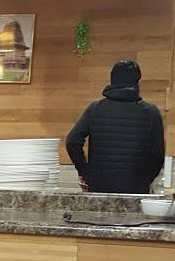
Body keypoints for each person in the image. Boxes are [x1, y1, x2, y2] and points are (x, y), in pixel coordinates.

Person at [66, 60, 165, 194]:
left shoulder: (95, 109)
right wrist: (145, 179)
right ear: (137, 82)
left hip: (99, 187)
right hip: (136, 187)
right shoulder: (151, 112)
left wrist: (85, 172)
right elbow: (158, 155)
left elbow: (72, 142)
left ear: (112, 81)